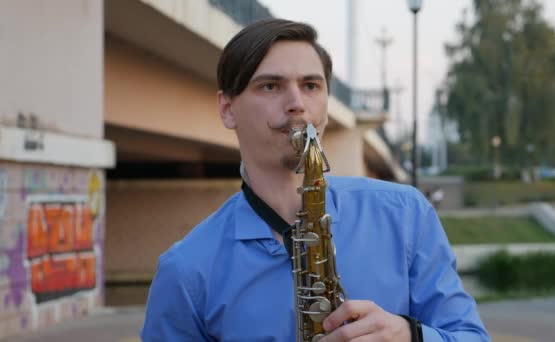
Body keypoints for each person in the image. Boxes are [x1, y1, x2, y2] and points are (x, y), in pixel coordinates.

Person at [141, 18, 490, 342]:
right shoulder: (186, 271)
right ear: (227, 109)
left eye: (311, 85)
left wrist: (410, 335)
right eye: (270, 86)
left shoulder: (405, 214)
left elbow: (471, 336)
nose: (297, 104)